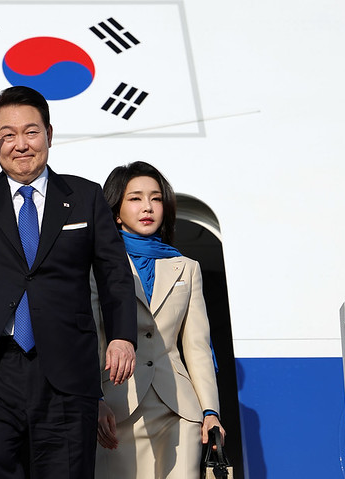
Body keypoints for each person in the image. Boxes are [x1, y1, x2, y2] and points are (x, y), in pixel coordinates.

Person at [0, 75, 138, 479]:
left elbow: (114, 275)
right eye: (7, 134)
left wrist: (122, 336)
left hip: (67, 367)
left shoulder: (84, 197)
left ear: (49, 134)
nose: (20, 144)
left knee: (67, 470)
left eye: (31, 132)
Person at [93, 161, 225, 479]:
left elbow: (197, 345)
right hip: (116, 405)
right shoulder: (94, 265)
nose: (148, 207)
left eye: (156, 198)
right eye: (136, 198)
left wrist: (211, 411)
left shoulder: (186, 267)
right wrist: (93, 399)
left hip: (180, 408)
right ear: (115, 209)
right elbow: (92, 337)